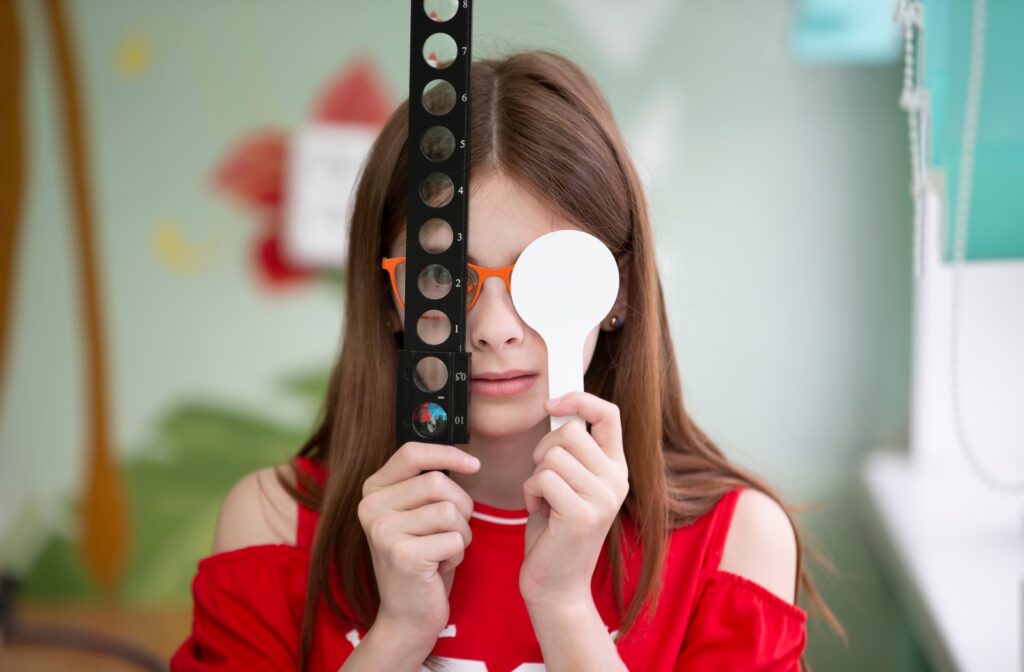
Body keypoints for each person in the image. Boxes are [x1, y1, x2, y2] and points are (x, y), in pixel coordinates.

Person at [171, 49, 840, 672]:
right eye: (441, 277)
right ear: (387, 299)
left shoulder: (737, 544)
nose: (493, 329)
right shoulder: (274, 525)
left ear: (620, 291)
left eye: (542, 277)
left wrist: (566, 610)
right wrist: (398, 633)